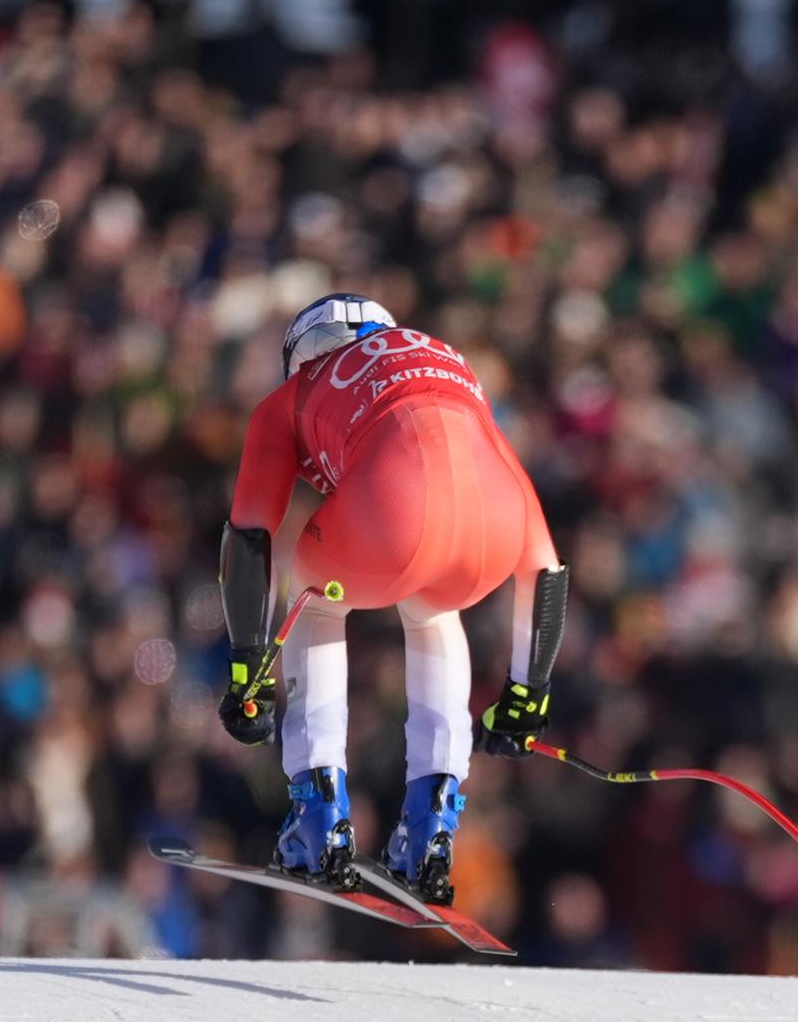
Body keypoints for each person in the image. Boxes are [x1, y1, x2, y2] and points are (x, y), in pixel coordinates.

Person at [217, 294, 568, 903]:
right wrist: (525, 692)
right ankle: (431, 825)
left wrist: (249, 668)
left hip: (395, 504)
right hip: (493, 529)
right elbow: (545, 566)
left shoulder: (297, 392)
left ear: (303, 353)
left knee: (312, 591)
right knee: (434, 609)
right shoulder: (448, 363)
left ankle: (317, 810)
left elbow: (250, 536)